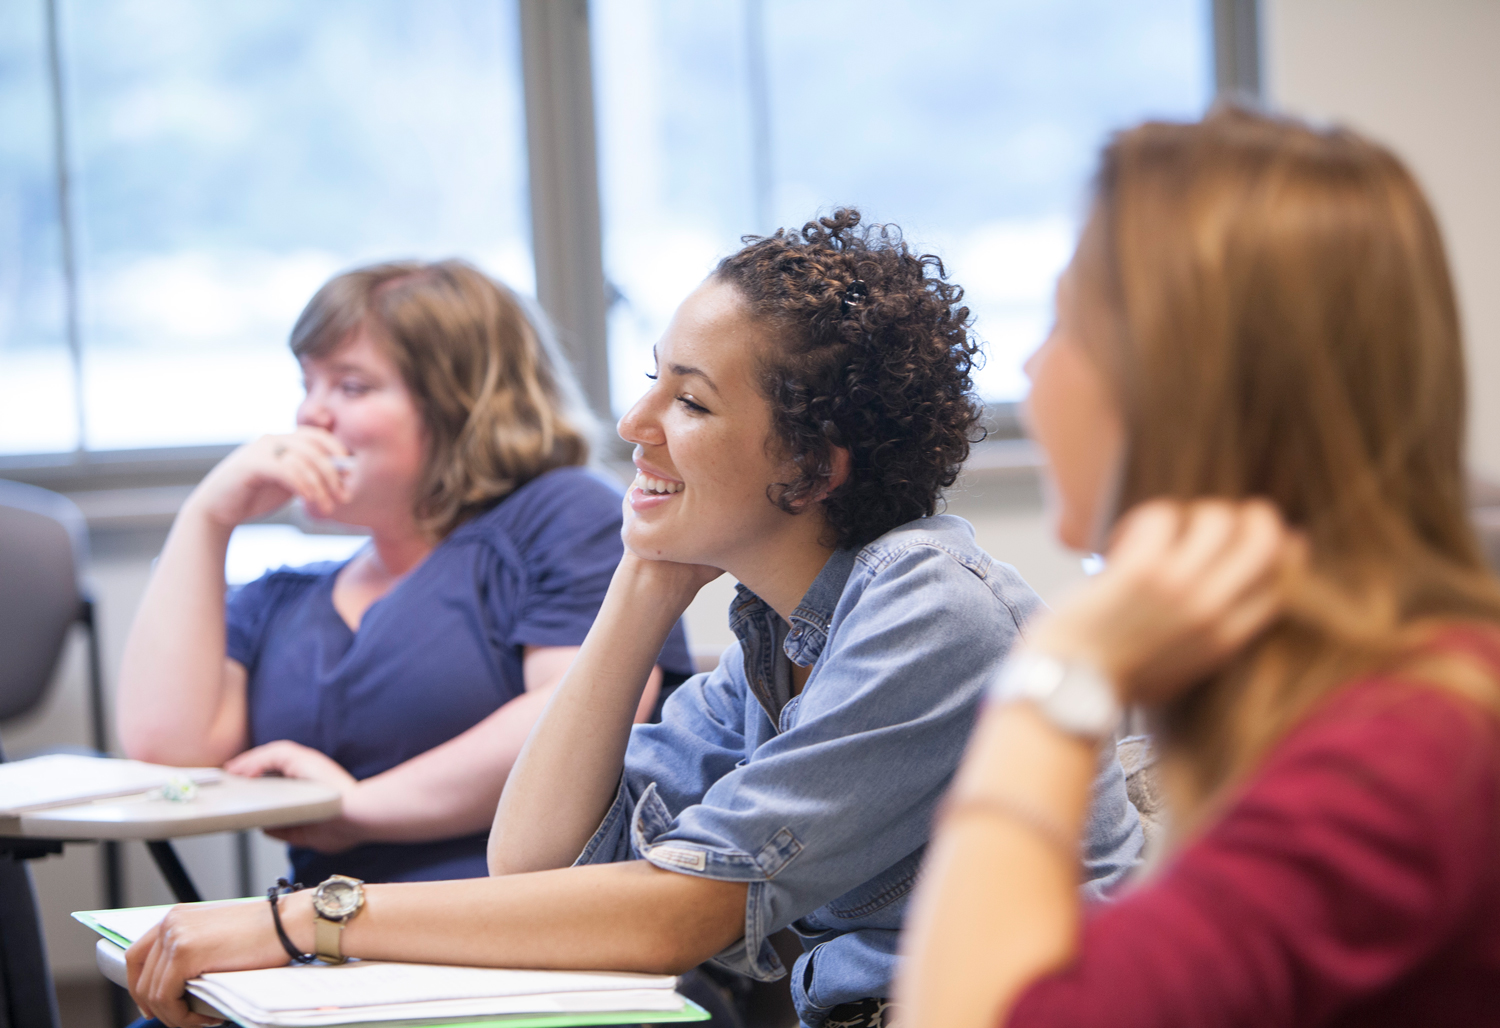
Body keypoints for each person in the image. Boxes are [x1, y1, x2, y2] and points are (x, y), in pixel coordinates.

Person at [124, 211, 1143, 1028]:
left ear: (811, 467)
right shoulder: (771, 637)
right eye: (653, 375)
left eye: (690, 401)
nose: (633, 421)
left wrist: (311, 918)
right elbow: (531, 859)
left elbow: (678, 910)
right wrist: (645, 579)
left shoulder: (928, 602)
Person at [896, 106, 1500, 1028]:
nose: (1030, 364)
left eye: (1063, 324)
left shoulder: (1408, 750)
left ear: (1172, 383)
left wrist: (1055, 679)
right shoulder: (1367, 695)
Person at [117, 259, 692, 885]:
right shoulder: (282, 598)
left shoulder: (563, 514)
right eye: (308, 384)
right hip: (335, 935)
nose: (312, 415)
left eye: (352, 386)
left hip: (528, 920)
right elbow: (166, 745)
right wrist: (207, 517)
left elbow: (587, 709)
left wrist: (356, 809)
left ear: (461, 404)